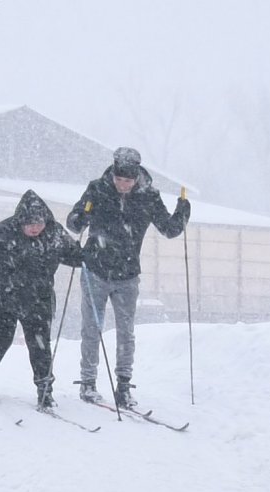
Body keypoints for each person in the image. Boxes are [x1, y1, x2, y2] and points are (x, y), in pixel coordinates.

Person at [66, 147, 190, 409]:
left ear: (137, 178)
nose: (123, 185)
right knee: (92, 328)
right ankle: (88, 384)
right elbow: (74, 224)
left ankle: (123, 387)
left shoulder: (149, 197)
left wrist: (183, 210)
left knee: (126, 332)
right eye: (119, 180)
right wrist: (83, 213)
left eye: (128, 181)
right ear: (113, 173)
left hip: (127, 274)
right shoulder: (97, 189)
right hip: (95, 270)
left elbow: (169, 229)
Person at [0, 190, 83, 409]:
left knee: (40, 345)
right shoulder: (4, 231)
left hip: (38, 298)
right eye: (29, 223)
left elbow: (73, 256)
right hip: (2, 296)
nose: (34, 227)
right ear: (20, 221)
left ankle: (44, 390)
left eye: (38, 222)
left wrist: (85, 255)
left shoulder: (54, 233)